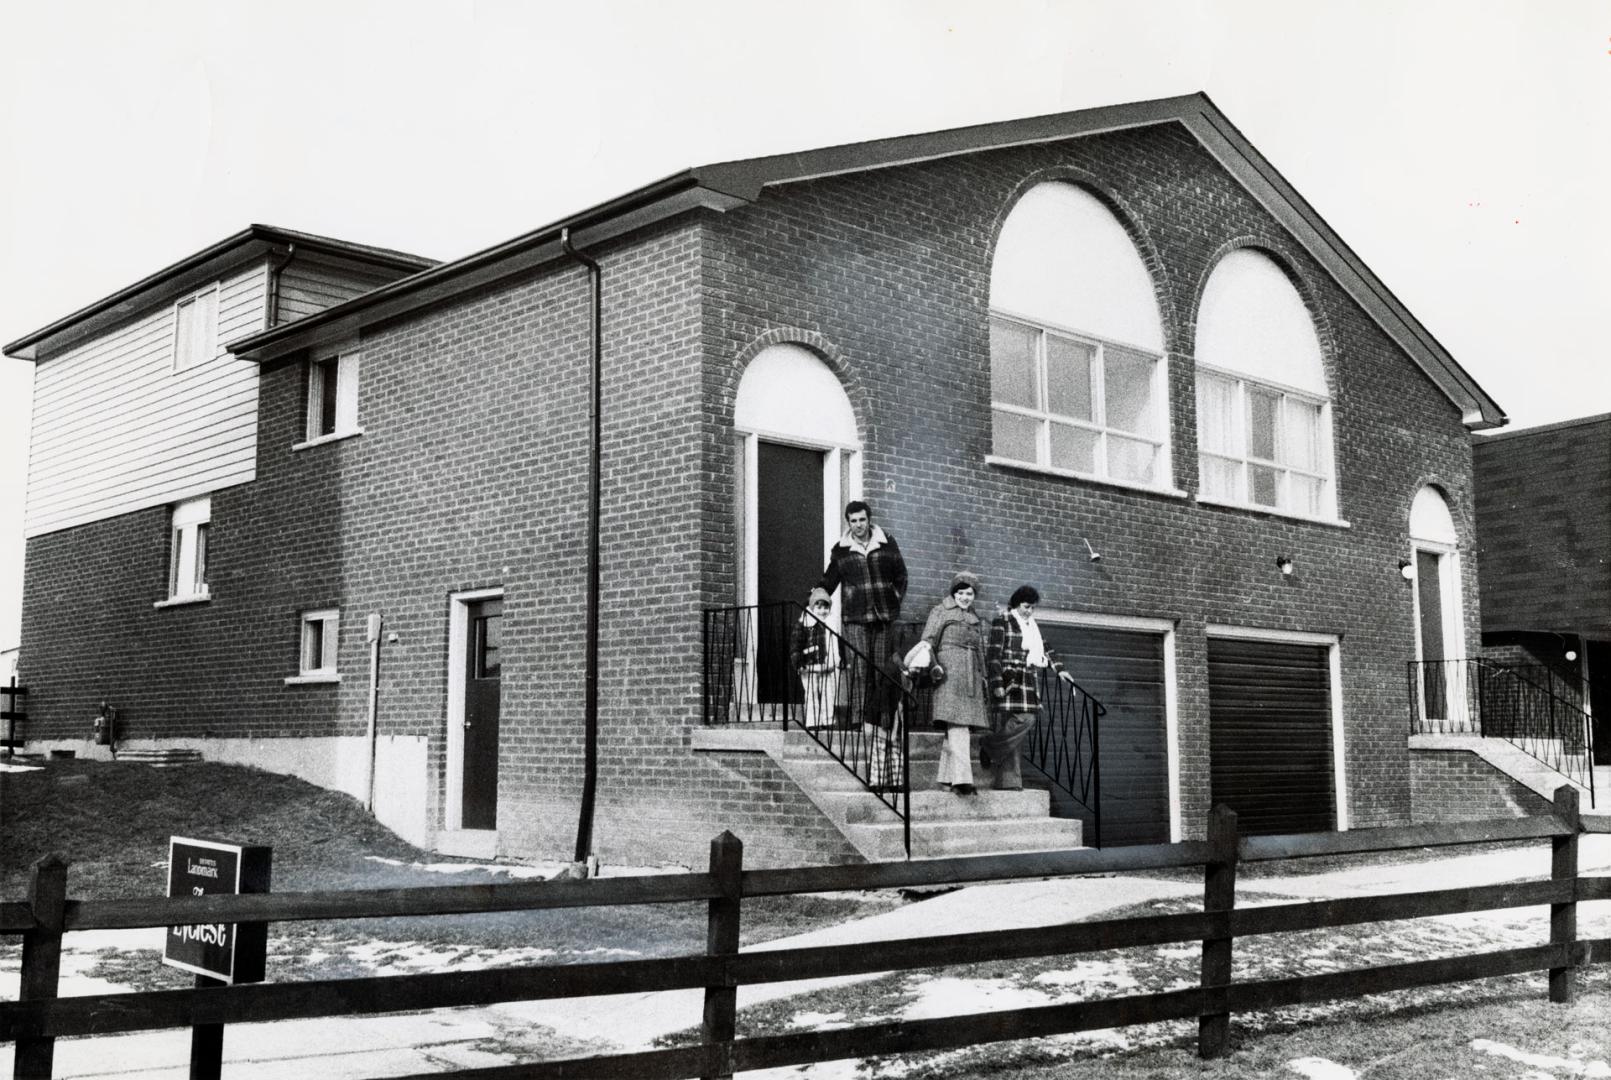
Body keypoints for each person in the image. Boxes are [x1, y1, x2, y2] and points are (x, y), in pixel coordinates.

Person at [817, 501, 908, 729]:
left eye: (862, 520)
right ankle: (859, 720)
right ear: (848, 522)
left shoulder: (887, 543)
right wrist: (815, 597)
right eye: (853, 521)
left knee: (880, 670)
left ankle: (878, 720)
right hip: (855, 617)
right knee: (859, 669)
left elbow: (901, 575)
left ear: (869, 519)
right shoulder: (841, 550)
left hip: (883, 617)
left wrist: (893, 598)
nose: (858, 525)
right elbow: (829, 580)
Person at [983, 585, 1077, 791]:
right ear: (1017, 604)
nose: (1029, 611)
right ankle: (990, 749)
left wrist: (1060, 670)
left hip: (1027, 679)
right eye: (1026, 607)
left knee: (1018, 728)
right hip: (1009, 679)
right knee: (1024, 719)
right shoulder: (1003, 621)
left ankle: (1008, 779)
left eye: (1032, 608)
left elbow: (1046, 648)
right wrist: (997, 683)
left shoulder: (1032, 626)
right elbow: (993, 655)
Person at [919, 571, 988, 795]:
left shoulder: (975, 618)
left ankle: (946, 778)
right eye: (961, 592)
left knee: (957, 726)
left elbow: (980, 651)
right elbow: (927, 643)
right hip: (947, 674)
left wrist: (984, 677)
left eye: (969, 593)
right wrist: (933, 666)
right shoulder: (940, 611)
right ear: (953, 593)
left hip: (970, 677)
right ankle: (962, 780)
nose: (965, 597)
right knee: (958, 724)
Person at [790, 588, 839, 730]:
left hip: (826, 666)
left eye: (826, 607)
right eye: (819, 607)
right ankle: (813, 722)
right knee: (811, 694)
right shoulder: (804, 623)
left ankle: (828, 720)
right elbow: (795, 645)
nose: (822, 611)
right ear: (812, 607)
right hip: (809, 665)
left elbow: (837, 643)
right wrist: (798, 662)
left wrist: (840, 659)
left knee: (828, 694)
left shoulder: (830, 623)